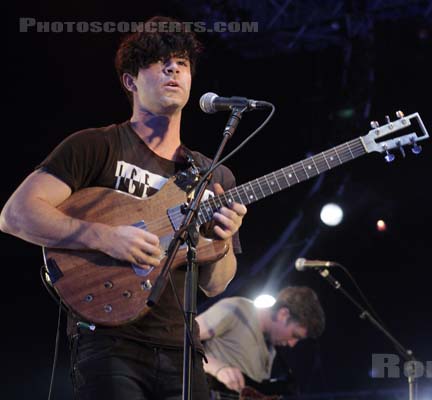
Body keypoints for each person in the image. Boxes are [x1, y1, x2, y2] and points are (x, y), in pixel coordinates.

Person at [0, 16, 247, 400]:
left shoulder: (212, 174)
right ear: (130, 82)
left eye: (182, 62)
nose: (173, 68)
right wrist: (106, 237)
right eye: (158, 60)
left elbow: (215, 285)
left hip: (183, 348)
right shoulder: (94, 146)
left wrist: (225, 239)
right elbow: (16, 215)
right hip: (108, 343)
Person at [196, 286, 326, 394]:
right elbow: (181, 339)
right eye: (295, 335)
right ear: (283, 315)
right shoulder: (236, 309)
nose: (292, 344)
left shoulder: (270, 347)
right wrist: (218, 369)